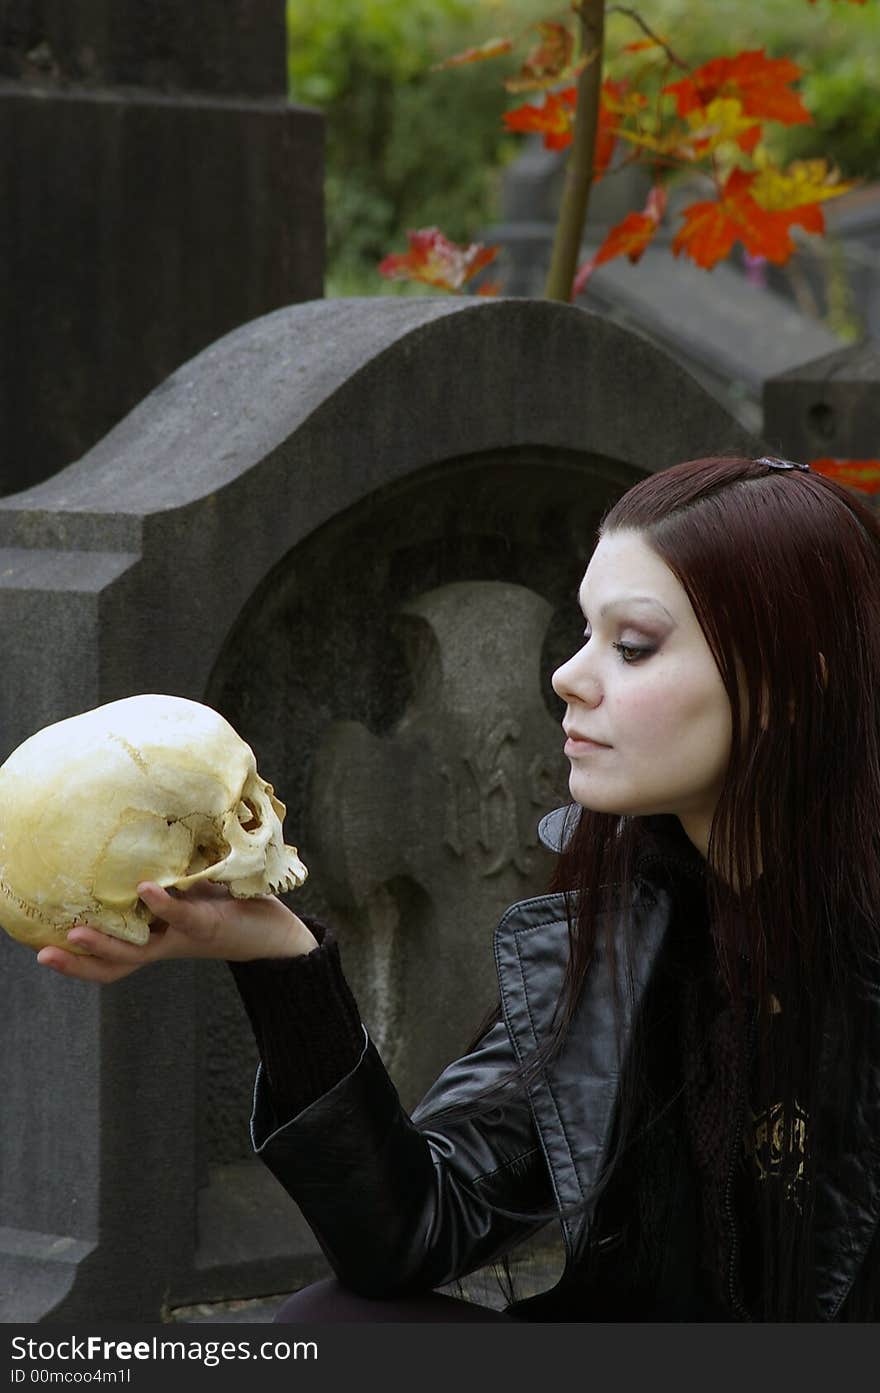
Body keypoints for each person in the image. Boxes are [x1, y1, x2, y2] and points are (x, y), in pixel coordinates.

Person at [36, 454, 880, 1322]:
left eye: (632, 647)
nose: (570, 676)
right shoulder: (624, 931)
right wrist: (278, 955)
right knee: (329, 1328)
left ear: (788, 685)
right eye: (584, 633)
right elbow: (411, 1231)